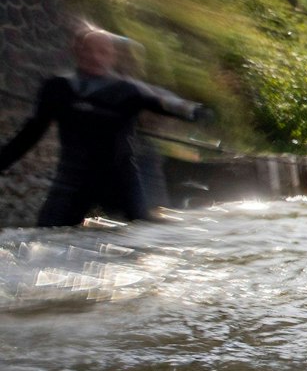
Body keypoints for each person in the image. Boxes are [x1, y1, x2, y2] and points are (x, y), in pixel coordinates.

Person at [0, 26, 211, 226]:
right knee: (46, 234)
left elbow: (161, 103)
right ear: (77, 52)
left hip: (119, 180)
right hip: (73, 180)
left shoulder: (126, 90)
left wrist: (193, 111)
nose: (95, 57)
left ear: (112, 57)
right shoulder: (58, 88)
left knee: (140, 233)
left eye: (102, 52)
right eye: (89, 50)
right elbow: (30, 134)